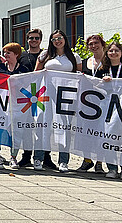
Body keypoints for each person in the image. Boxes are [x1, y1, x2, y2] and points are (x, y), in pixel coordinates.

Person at [33, 29, 82, 172]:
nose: (57, 41)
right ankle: (38, 158)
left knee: (64, 128)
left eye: (60, 38)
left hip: (66, 99)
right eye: (54, 39)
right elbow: (36, 74)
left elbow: (79, 76)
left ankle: (63, 161)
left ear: (65, 39)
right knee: (43, 126)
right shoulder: (45, 55)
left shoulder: (74, 57)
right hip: (46, 96)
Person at [0, 42, 32, 169]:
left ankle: (13, 157)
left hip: (17, 106)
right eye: (4, 52)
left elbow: (28, 86)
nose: (5, 55)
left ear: (16, 54)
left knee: (16, 131)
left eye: (8, 53)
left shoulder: (24, 70)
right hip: (1, 104)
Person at [78, 34, 107, 173]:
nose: (93, 46)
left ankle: (99, 163)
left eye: (96, 43)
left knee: (102, 132)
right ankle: (87, 160)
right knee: (86, 131)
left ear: (102, 44)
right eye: (90, 44)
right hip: (87, 103)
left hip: (105, 103)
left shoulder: (110, 62)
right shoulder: (85, 62)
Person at [17, 28, 44, 168]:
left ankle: (45, 157)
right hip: (25, 97)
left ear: (40, 40)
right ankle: (26, 156)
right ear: (27, 40)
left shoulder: (47, 55)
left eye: (36, 38)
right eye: (31, 38)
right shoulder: (21, 56)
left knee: (42, 127)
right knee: (27, 128)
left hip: (43, 96)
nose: (33, 40)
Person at [100, 42, 122, 178]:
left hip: (120, 108)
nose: (113, 53)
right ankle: (112, 168)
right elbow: (93, 84)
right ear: (107, 53)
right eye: (111, 51)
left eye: (116, 50)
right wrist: (103, 81)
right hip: (107, 109)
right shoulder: (103, 68)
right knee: (109, 137)